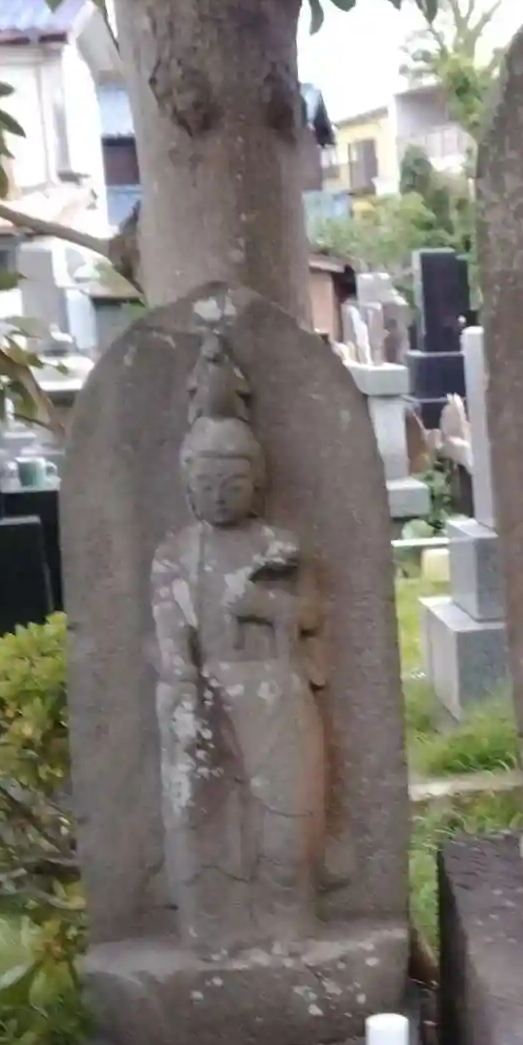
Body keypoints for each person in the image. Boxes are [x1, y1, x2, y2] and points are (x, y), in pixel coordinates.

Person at [152, 334, 330, 950]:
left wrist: (266, 607)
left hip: (276, 692)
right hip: (206, 695)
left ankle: (287, 919)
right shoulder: (176, 554)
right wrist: (183, 688)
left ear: (258, 482)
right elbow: (171, 636)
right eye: (206, 480)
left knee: (288, 816)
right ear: (187, 483)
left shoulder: (277, 547)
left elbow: (310, 614)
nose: (220, 492)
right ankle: (216, 925)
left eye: (234, 479)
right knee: (208, 817)